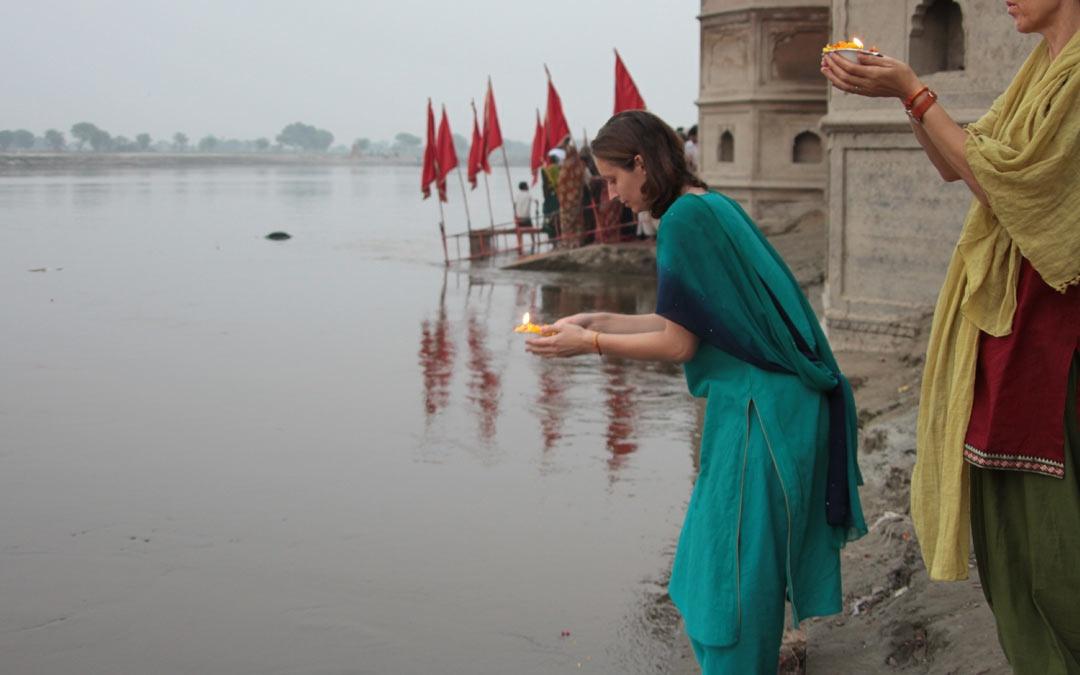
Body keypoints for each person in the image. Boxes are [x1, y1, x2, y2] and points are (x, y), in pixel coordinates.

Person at [525, 110, 867, 673]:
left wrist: (589, 345)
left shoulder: (684, 220)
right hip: (778, 404)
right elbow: (691, 322)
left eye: (613, 179)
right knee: (715, 561)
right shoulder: (711, 203)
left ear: (641, 164)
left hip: (762, 414)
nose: (610, 195)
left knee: (731, 574)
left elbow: (680, 345)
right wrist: (599, 317)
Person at [822, 2, 1080, 672]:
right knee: (1007, 537)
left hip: (1060, 332)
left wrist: (915, 89)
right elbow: (961, 165)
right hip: (1004, 324)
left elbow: (1017, 185)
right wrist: (906, 98)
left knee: (1058, 544)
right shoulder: (1038, 70)